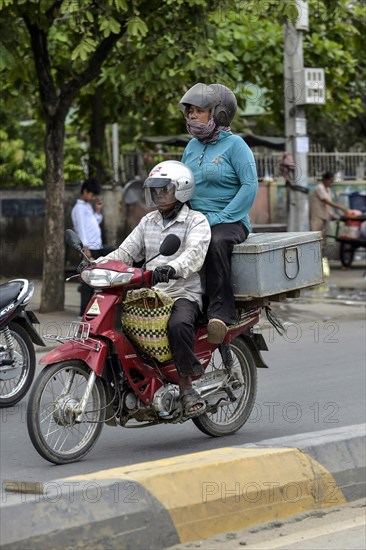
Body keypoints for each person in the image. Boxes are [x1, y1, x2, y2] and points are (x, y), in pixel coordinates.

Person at [95, 160, 211, 418]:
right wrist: (97, 265)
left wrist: (172, 268)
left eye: (164, 189)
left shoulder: (196, 221)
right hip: (148, 293)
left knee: (178, 325)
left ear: (181, 190)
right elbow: (126, 252)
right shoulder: (148, 221)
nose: (158, 194)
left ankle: (186, 386)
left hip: (182, 292)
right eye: (155, 190)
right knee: (118, 324)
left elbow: (194, 254)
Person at [179, 82, 258, 344]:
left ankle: (220, 314)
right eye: (189, 110)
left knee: (215, 241)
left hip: (231, 220)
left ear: (219, 113)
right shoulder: (191, 147)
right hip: (196, 219)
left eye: (198, 110)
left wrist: (222, 217)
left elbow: (249, 186)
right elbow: (182, 184)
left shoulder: (236, 145)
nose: (191, 115)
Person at [71, 178, 113, 317]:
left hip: (97, 246)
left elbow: (95, 222)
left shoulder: (87, 207)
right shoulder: (79, 208)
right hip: (88, 248)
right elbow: (81, 229)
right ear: (85, 191)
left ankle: (91, 310)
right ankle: (82, 312)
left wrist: (98, 210)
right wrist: (85, 247)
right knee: (87, 280)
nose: (93, 197)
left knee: (94, 277)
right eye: (92, 194)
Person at [310, 171, 350, 260]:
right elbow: (326, 201)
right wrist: (341, 208)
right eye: (330, 181)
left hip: (324, 217)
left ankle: (322, 260)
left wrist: (332, 214)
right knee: (316, 237)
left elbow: (327, 206)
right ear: (325, 180)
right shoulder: (319, 188)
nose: (331, 183)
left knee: (323, 239)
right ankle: (315, 259)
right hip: (317, 216)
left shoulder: (328, 190)